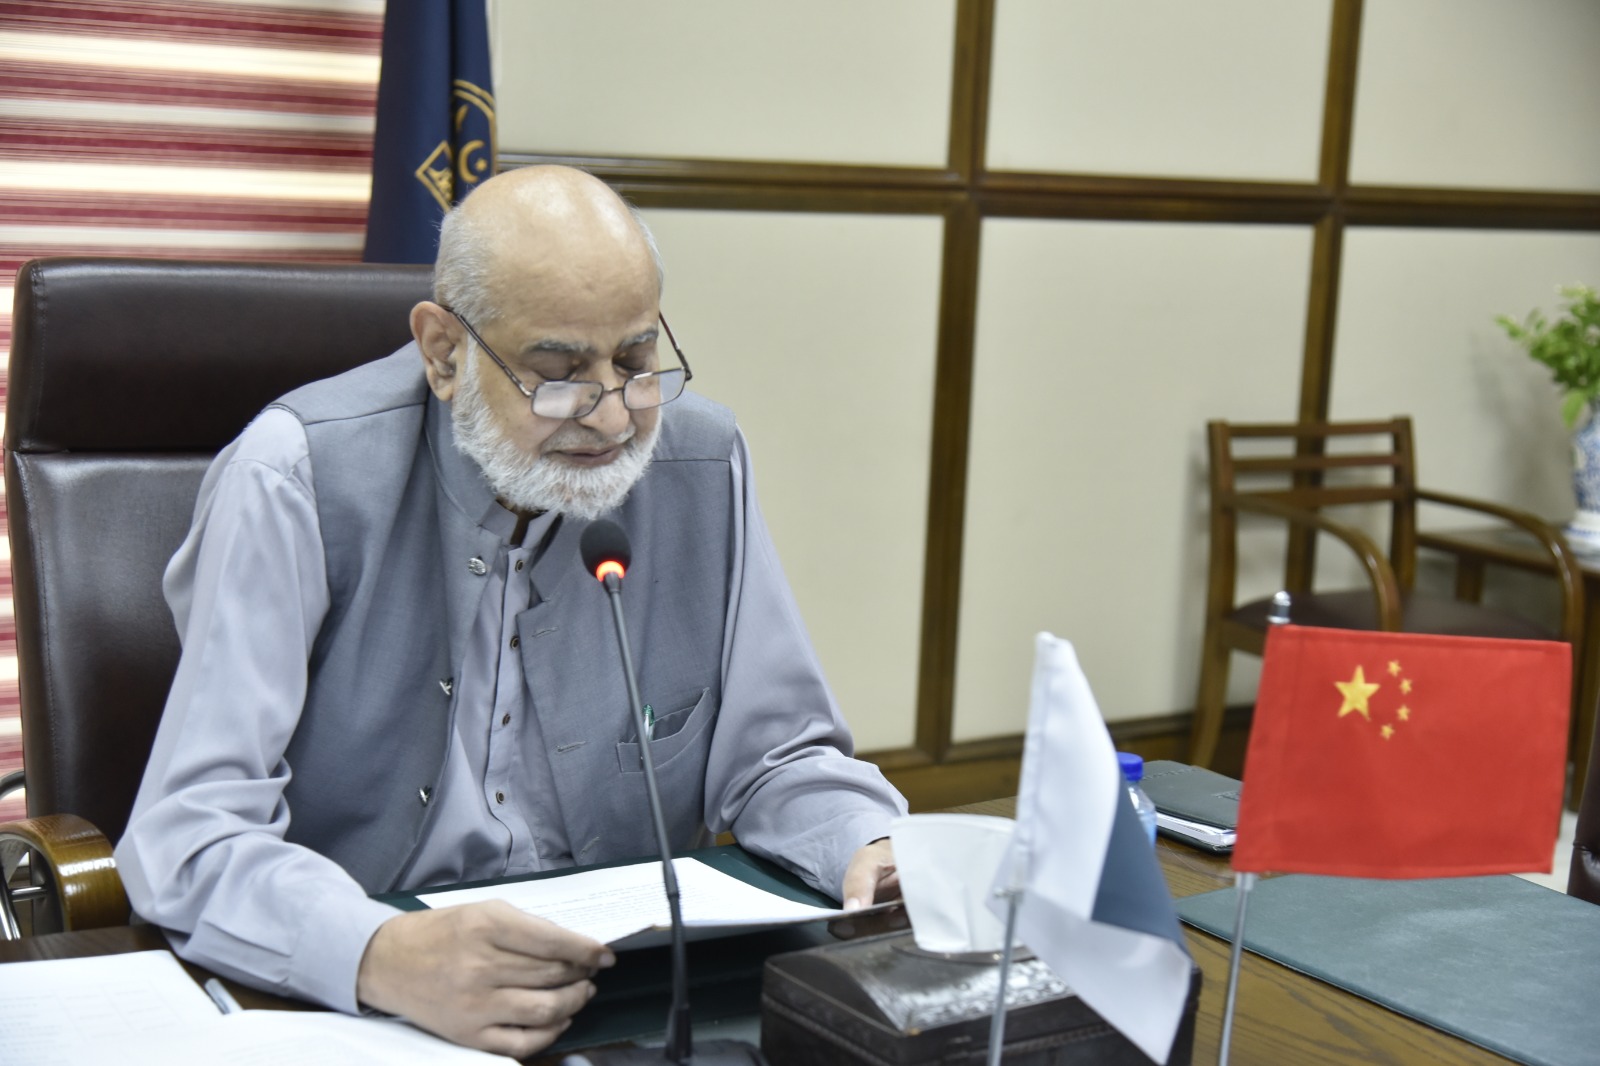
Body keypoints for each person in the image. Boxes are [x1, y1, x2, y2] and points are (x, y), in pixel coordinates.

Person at [114, 165, 907, 1057]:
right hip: (371, 1004)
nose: (612, 419)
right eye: (558, 374)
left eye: (636, 362)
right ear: (443, 353)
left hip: (636, 991)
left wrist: (868, 846)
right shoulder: (291, 477)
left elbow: (778, 755)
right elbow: (191, 832)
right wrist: (376, 953)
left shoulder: (700, 461)